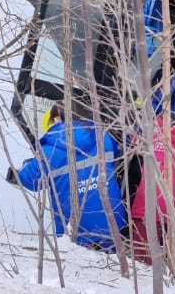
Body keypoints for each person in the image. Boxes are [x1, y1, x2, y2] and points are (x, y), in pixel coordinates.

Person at [15, 103, 127, 252]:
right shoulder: (103, 137)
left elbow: (30, 180)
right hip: (111, 219)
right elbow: (116, 157)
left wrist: (26, 164)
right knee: (112, 269)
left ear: (55, 120)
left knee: (79, 270)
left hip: (76, 226)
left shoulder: (49, 150)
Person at [130, 105, 175, 265]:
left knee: (141, 263)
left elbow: (133, 149)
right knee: (171, 265)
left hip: (149, 198)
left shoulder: (154, 130)